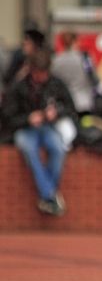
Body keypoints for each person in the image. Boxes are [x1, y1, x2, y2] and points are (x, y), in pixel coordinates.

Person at [1, 49, 77, 216]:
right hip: (25, 129)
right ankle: (49, 195)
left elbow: (71, 108)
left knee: (58, 148)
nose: (42, 78)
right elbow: (7, 117)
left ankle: (46, 196)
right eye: (38, 74)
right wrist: (28, 118)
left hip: (48, 127)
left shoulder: (56, 84)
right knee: (30, 150)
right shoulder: (18, 87)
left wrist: (56, 112)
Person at [51, 30, 96, 116]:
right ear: (76, 41)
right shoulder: (85, 59)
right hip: (84, 102)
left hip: (64, 104)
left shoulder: (55, 60)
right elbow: (94, 79)